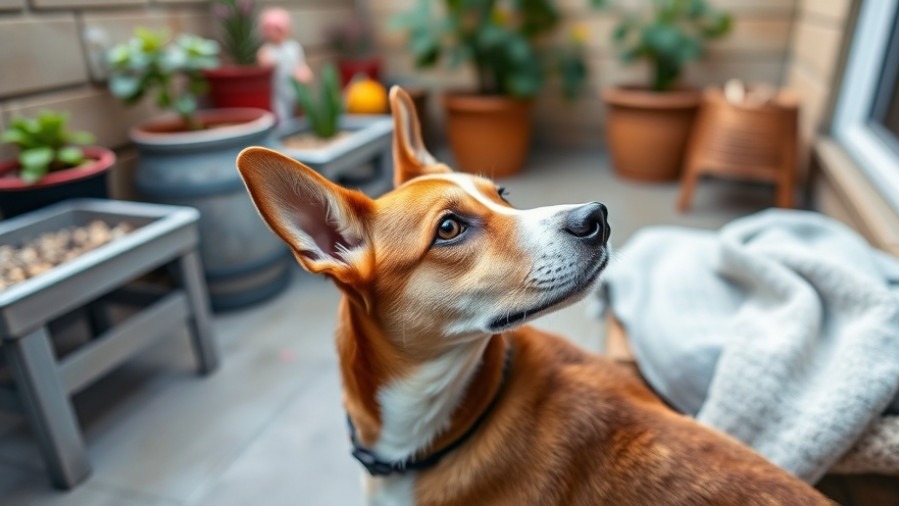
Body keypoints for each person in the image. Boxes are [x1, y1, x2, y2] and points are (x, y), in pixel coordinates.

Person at [257, 7, 313, 122]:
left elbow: (300, 65)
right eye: (270, 29)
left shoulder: (293, 47)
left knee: (298, 113)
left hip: (294, 88)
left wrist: (305, 73)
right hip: (277, 90)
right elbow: (263, 65)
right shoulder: (266, 50)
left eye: (278, 29)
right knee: (281, 114)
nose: (274, 33)